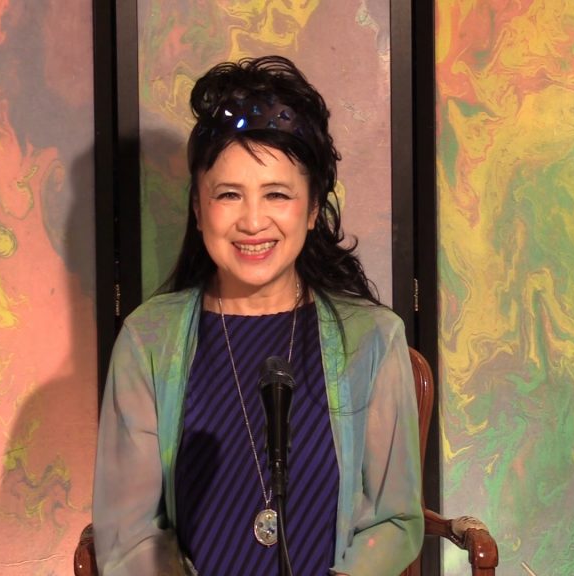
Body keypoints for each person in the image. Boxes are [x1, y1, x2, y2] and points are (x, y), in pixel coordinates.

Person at [92, 55, 423, 576]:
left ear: (312, 210)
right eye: (228, 194)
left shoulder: (372, 339)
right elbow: (128, 536)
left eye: (277, 194)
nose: (252, 221)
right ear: (198, 208)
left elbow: (396, 519)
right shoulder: (147, 340)